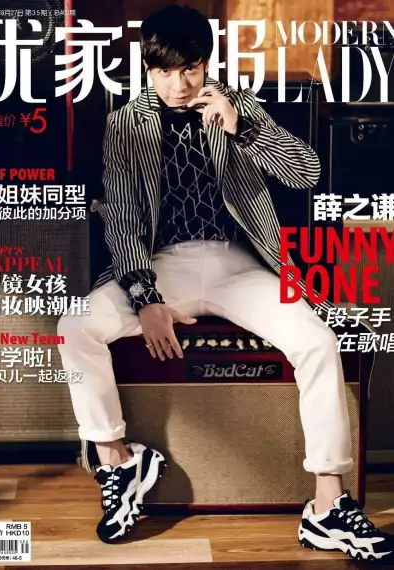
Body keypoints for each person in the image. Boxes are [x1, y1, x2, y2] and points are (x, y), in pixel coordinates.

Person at [57, 4, 393, 562]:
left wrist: (242, 129)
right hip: (162, 264)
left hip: (240, 265)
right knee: (75, 327)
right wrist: (146, 298)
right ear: (149, 69)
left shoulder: (237, 104)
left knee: (317, 341)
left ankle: (328, 505)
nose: (179, 85)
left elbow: (306, 172)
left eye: (190, 69)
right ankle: (117, 458)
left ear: (206, 64)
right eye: (165, 72)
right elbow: (121, 215)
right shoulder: (127, 122)